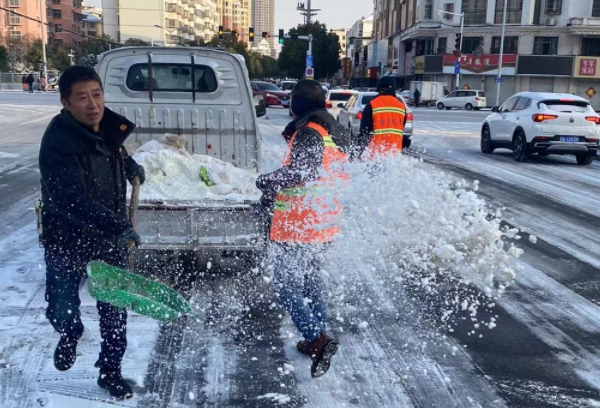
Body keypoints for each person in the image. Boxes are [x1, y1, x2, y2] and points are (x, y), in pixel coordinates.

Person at [39, 66, 145, 400]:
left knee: (114, 311)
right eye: (82, 98)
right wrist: (119, 226)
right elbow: (72, 199)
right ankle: (69, 334)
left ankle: (110, 371)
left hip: (106, 242)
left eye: (96, 95)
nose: (92, 104)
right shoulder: (57, 142)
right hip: (66, 239)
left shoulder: (109, 125)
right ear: (65, 102)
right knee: (62, 307)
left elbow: (113, 149)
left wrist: (129, 165)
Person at [256, 79, 348, 378]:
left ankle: (317, 339)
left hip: (300, 224)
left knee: (285, 287)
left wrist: (266, 181)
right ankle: (316, 337)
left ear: (297, 104)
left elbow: (302, 172)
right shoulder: (333, 130)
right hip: (323, 222)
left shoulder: (308, 131)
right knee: (310, 282)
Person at [353, 76, 407, 161]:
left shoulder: (372, 105)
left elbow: (364, 132)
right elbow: (401, 129)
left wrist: (358, 152)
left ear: (379, 87)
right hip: (395, 155)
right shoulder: (401, 107)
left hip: (376, 154)